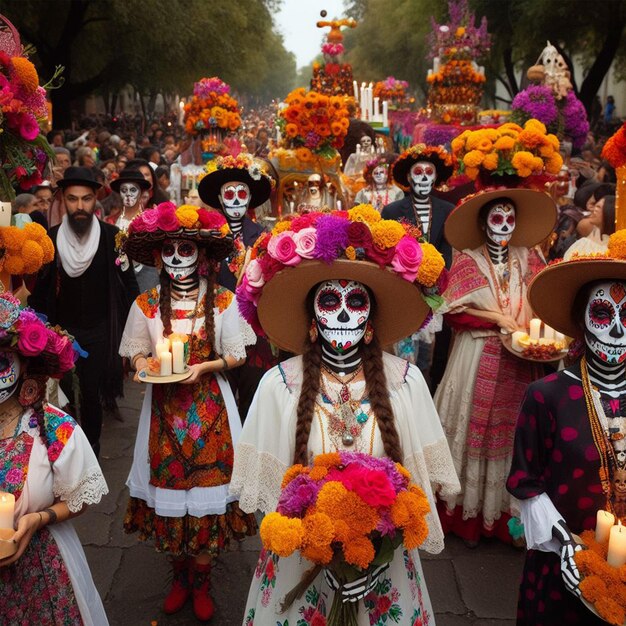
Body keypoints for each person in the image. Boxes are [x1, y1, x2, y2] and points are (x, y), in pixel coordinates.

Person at [231, 208, 460, 624]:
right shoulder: (278, 386)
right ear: (314, 317)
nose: (341, 314)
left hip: (383, 566)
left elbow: (417, 495)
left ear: (370, 318)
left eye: (355, 301)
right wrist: (319, 547)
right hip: (301, 560)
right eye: (330, 301)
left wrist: (374, 550)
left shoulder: (406, 384)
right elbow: (267, 498)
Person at [119, 201, 257, 621]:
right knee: (171, 495)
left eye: (186, 251)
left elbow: (237, 354)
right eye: (170, 252)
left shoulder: (223, 300)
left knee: (207, 496)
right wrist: (145, 367)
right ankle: (179, 576)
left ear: (201, 257)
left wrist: (204, 367)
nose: (178, 260)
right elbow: (135, 354)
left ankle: (202, 581)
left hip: (210, 408)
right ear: (159, 257)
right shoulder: (145, 303)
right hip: (163, 413)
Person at [506, 237, 626, 624]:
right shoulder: (547, 396)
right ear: (580, 320)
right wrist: (567, 546)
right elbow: (526, 482)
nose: (619, 330)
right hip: (563, 568)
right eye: (605, 314)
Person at [434, 188, 556, 546]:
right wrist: (496, 317)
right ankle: (469, 514)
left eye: (510, 219)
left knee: (516, 432)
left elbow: (543, 298)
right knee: (475, 428)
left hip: (523, 358)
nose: (504, 226)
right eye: (496, 219)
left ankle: (508, 516)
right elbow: (454, 312)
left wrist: (524, 325)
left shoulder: (530, 256)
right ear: (484, 224)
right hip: (477, 357)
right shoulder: (467, 260)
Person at [0, 290, 109, 624]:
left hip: (42, 570)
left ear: (22, 361)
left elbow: (82, 497)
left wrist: (39, 518)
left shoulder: (53, 426)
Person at [29, 167, 139, 457]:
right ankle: (64, 453)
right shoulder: (50, 240)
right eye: (73, 199)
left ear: (96, 201)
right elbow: (40, 294)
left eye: (86, 199)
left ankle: (90, 450)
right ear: (63, 200)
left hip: (100, 332)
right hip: (60, 333)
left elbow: (129, 285)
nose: (80, 206)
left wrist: (134, 336)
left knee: (91, 393)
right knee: (62, 398)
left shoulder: (113, 237)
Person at [198, 154, 276, 421]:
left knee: (253, 398)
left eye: (241, 193)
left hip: (254, 331)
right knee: (222, 397)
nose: (234, 199)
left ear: (249, 198)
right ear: (219, 199)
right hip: (218, 328)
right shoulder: (208, 236)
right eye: (228, 194)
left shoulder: (264, 237)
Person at [382, 144, 456, 381]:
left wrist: (434, 276)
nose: (423, 177)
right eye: (418, 172)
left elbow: (447, 252)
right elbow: (385, 249)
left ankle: (422, 389)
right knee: (400, 350)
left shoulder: (447, 210)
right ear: (408, 177)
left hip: (433, 292)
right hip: (401, 289)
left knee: (427, 354)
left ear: (435, 178)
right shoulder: (392, 210)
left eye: (428, 172)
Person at [108, 169, 159, 292]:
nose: (128, 194)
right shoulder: (110, 221)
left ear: (141, 193)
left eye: (133, 190)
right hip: (117, 278)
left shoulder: (151, 220)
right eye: (124, 190)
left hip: (146, 277)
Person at [564, 195, 615, 260]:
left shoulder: (616, 246)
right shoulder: (583, 243)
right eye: (595, 206)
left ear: (609, 211)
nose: (593, 209)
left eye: (598, 207)